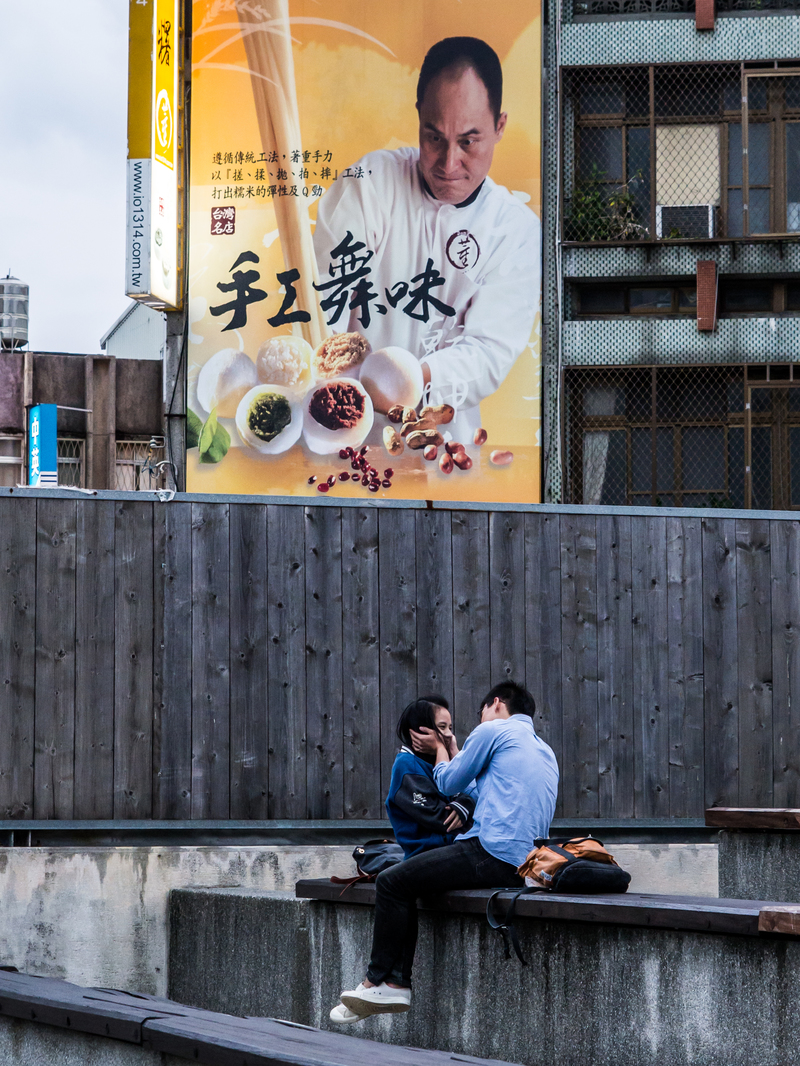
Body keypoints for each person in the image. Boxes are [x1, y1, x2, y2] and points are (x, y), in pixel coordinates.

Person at [313, 37, 540, 445]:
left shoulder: (516, 231)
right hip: (339, 431)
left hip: (444, 443)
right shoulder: (372, 182)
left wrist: (411, 378)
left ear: (499, 126)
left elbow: (487, 352)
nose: (449, 164)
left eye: (468, 141)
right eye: (434, 138)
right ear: (419, 116)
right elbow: (325, 296)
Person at [329, 681, 559, 1024]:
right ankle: (391, 984)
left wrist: (441, 748)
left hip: (490, 853)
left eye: (480, 711)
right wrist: (452, 747)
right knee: (407, 880)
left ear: (495, 704)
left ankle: (379, 980)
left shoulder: (493, 729)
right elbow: (474, 790)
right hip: (527, 866)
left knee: (392, 882)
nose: (476, 721)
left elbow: (448, 783)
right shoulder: (543, 749)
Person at [386, 695, 476, 858]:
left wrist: (466, 802)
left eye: (450, 727)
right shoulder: (408, 766)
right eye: (442, 727)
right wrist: (469, 805)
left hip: (454, 851)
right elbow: (443, 820)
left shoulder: (439, 761)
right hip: (427, 855)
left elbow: (483, 799)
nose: (449, 735)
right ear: (422, 730)